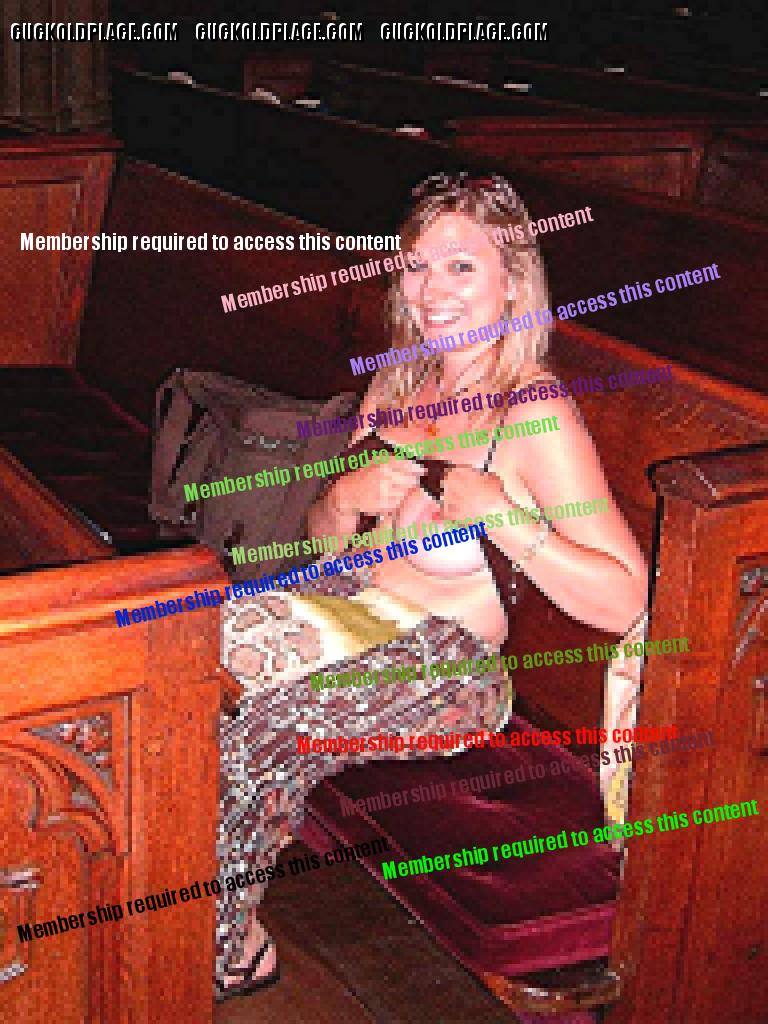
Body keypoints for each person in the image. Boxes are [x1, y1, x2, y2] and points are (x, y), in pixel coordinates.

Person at [215, 171, 647, 998]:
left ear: (513, 281)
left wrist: (506, 520)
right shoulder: (399, 382)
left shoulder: (532, 412)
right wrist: (340, 500)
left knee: (266, 726)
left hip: (449, 670)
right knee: (178, 666)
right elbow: (330, 555)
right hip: (352, 613)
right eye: (416, 266)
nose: (431, 290)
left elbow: (628, 597)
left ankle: (223, 945)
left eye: (461, 267)